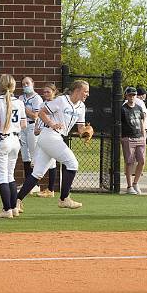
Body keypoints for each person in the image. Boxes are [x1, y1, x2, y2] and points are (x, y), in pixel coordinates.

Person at [15, 80, 90, 211]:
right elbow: (42, 112)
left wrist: (85, 132)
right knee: (72, 164)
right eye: (85, 91)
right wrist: (52, 123)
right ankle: (64, 199)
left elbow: (80, 127)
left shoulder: (81, 106)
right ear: (77, 90)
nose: (87, 94)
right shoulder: (61, 100)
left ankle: (16, 201)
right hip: (50, 135)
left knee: (37, 173)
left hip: (55, 138)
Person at [0, 74, 27, 218]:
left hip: (2, 140)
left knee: (2, 177)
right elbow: (23, 125)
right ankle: (14, 208)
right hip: (15, 140)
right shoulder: (20, 102)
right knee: (10, 175)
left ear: (0, 86)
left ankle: (7, 210)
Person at [33, 83, 59, 198]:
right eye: (44, 92)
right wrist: (36, 128)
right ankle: (40, 186)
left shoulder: (56, 104)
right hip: (42, 135)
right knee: (37, 160)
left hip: (52, 135)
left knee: (52, 162)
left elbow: (53, 121)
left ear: (54, 92)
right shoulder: (43, 104)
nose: (46, 94)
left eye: (48, 92)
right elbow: (39, 118)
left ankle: (51, 189)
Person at [121, 86, 147, 194]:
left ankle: (136, 183)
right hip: (128, 137)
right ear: (126, 96)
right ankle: (129, 186)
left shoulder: (138, 107)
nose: (132, 97)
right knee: (129, 162)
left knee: (141, 161)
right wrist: (121, 137)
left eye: (133, 95)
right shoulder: (122, 109)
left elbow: (141, 121)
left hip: (139, 137)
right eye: (130, 95)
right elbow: (119, 124)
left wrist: (143, 135)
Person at [19, 76, 43, 183]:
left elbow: (35, 116)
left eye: (27, 83)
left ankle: (35, 184)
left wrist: (23, 107)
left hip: (32, 126)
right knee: (25, 155)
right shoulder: (20, 98)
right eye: (23, 84)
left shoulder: (37, 98)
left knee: (33, 154)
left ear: (33, 84)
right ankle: (27, 183)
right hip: (22, 126)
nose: (25, 86)